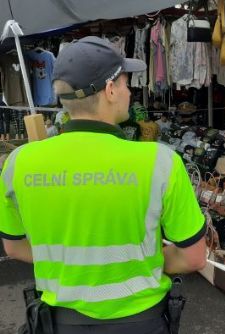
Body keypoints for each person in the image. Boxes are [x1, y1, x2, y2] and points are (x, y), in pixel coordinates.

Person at [0, 36, 206, 334]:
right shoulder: (161, 162)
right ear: (110, 90)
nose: (129, 91)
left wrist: (68, 262)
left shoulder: (19, 163)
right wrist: (141, 260)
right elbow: (194, 257)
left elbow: (15, 246)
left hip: (59, 324)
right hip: (142, 324)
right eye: (125, 83)